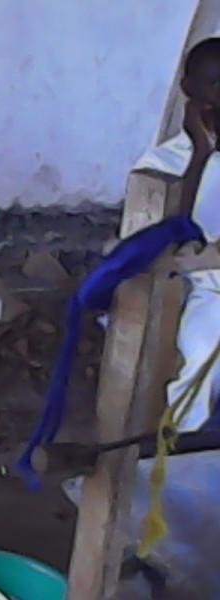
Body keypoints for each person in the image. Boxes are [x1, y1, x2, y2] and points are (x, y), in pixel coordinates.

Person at [160, 37, 220, 430]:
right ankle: (189, 451)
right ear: (190, 93)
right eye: (217, 85)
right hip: (202, 295)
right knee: (208, 353)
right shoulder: (166, 163)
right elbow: (169, 241)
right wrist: (201, 152)